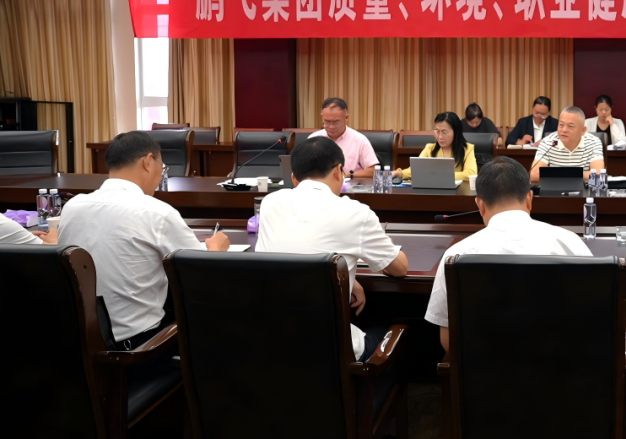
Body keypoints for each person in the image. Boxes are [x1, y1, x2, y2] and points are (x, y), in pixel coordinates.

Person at [58, 131, 230, 349]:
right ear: (148, 161)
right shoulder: (157, 212)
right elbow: (201, 278)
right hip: (137, 348)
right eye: (163, 168)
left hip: (77, 342)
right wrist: (215, 250)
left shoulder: (72, 207)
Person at [257, 136, 408, 361]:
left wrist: (348, 277)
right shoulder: (355, 213)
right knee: (394, 327)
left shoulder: (270, 203)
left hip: (274, 341)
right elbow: (399, 268)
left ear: (294, 177)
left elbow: (296, 252)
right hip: (330, 349)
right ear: (339, 171)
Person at [425, 157, 592, 351]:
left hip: (483, 368)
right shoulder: (570, 243)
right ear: (530, 199)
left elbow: (449, 340)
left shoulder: (456, 255)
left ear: (480, 205)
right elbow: (594, 314)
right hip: (564, 364)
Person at [529, 106, 606, 183]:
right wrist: (576, 175)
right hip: (554, 189)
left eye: (570, 126)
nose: (564, 130)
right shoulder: (548, 142)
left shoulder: (593, 142)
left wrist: (560, 174)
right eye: (561, 125)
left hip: (584, 189)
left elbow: (598, 175)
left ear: (583, 130)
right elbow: (534, 175)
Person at [393, 112, 478, 181]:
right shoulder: (430, 148)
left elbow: (471, 174)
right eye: (437, 131)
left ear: (456, 132)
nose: (440, 136)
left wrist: (439, 175)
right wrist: (398, 173)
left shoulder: (467, 149)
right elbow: (416, 170)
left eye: (444, 132)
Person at [309, 97, 380, 177]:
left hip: (349, 183)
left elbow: (374, 171)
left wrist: (348, 175)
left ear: (346, 118)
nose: (331, 126)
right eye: (327, 122)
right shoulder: (313, 139)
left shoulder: (359, 140)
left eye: (336, 122)